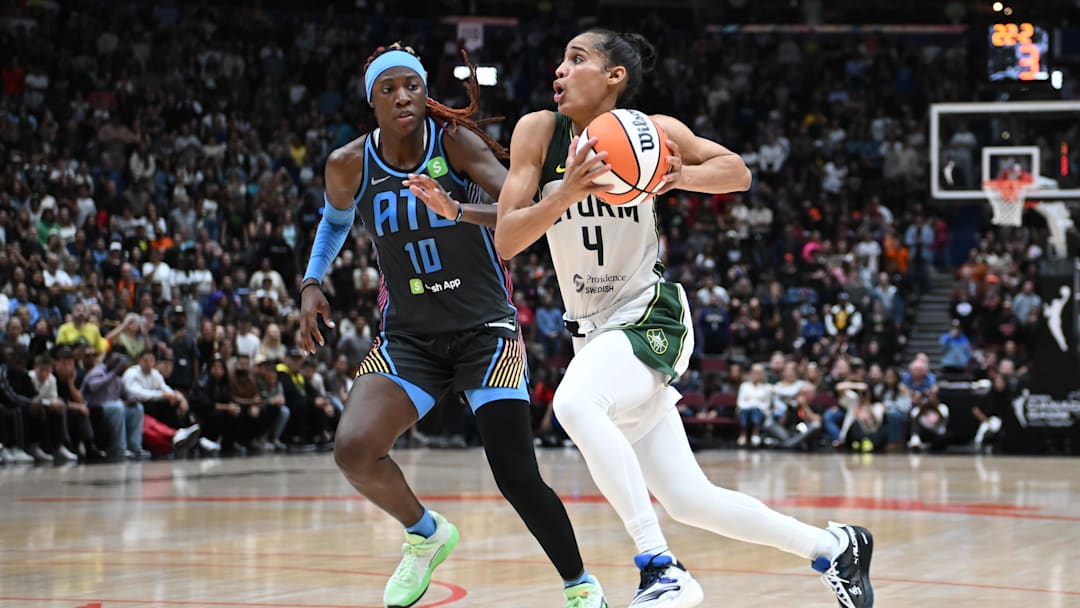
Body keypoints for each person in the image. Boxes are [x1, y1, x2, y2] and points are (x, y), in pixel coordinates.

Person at [410, 29, 875, 608]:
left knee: (576, 404)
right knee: (690, 499)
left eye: (577, 59)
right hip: (593, 332)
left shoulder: (652, 131)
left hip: (647, 316)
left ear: (615, 77)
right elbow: (509, 238)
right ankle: (834, 546)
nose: (559, 70)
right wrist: (560, 192)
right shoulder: (539, 132)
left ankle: (661, 567)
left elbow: (738, 172)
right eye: (560, 59)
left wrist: (676, 176)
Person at [297, 43, 607, 608]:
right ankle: (425, 534)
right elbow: (333, 222)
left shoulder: (455, 144)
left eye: (411, 86)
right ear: (373, 102)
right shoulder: (349, 164)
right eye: (387, 89)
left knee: (516, 477)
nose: (402, 97)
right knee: (354, 447)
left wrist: (456, 210)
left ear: (424, 92)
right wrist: (312, 282)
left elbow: (523, 210)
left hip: (484, 331)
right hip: (409, 337)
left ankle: (579, 584)